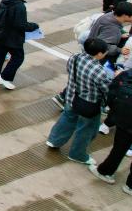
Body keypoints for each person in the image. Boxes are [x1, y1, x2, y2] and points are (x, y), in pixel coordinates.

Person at [46, 38, 112, 166]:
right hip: (89, 105)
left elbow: (69, 71)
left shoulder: (75, 57)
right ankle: (77, 154)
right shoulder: (99, 71)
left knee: (67, 118)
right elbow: (107, 90)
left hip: (71, 96)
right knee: (86, 129)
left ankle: (54, 140)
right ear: (99, 54)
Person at [89, 67, 132, 193]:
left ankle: (105, 171)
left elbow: (111, 93)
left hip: (125, 119)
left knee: (119, 149)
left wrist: (114, 112)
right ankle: (131, 186)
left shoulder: (128, 74)